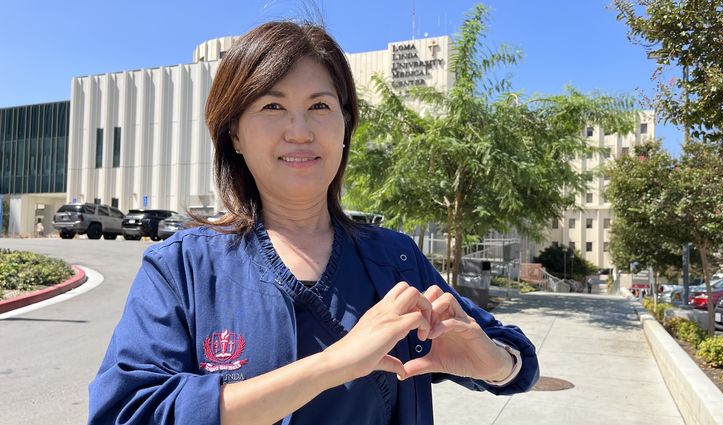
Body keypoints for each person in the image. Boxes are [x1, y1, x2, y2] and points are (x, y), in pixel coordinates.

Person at [88, 21, 539, 425]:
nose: (300, 130)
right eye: (272, 106)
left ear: (344, 126)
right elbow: (127, 411)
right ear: (235, 135)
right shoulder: (182, 268)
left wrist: (495, 364)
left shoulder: (395, 258)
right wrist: (332, 365)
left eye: (320, 106)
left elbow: (515, 359)